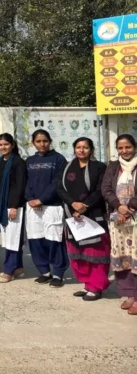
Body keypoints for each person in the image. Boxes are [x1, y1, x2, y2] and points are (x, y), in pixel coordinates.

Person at [57, 137, 109, 301]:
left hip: (93, 214)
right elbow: (59, 187)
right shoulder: (66, 168)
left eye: (85, 147)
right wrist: (73, 204)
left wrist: (84, 206)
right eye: (78, 147)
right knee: (78, 253)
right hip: (72, 215)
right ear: (74, 149)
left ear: (91, 150)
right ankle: (87, 284)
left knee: (96, 253)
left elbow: (100, 190)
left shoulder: (99, 167)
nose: (81, 150)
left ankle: (97, 286)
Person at [25, 129, 68, 288]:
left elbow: (57, 183)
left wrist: (41, 199)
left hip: (52, 206)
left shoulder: (58, 159)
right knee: (36, 239)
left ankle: (58, 273)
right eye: (38, 141)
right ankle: (44, 271)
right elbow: (27, 182)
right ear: (33, 143)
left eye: (45, 141)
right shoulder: (30, 160)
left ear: (50, 142)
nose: (42, 144)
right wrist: (30, 199)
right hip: (33, 207)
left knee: (54, 240)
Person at [101, 134, 137, 315]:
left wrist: (129, 207)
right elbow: (105, 189)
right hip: (118, 219)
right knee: (123, 257)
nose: (124, 151)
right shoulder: (114, 166)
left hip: (135, 218)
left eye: (128, 147)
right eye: (120, 148)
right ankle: (130, 294)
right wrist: (119, 207)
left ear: (135, 147)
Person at [0, 134, 28, 284]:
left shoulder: (18, 162)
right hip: (3, 205)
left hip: (14, 206)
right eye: (1, 144)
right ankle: (18, 267)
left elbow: (20, 186)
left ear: (13, 145)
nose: (3, 147)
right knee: (9, 238)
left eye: (6, 144)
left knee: (13, 240)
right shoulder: (0, 161)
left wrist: (14, 206)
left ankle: (9, 270)